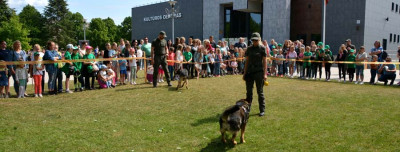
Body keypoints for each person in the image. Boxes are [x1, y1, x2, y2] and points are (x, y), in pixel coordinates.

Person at [243, 32, 267, 117]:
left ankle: (262, 110)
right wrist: (244, 73)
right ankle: (247, 110)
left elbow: (264, 61)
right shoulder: (249, 49)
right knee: (249, 92)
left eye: (256, 40)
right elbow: (247, 61)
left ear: (259, 39)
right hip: (249, 72)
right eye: (253, 40)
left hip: (259, 72)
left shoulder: (262, 48)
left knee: (260, 92)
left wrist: (265, 74)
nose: (254, 42)